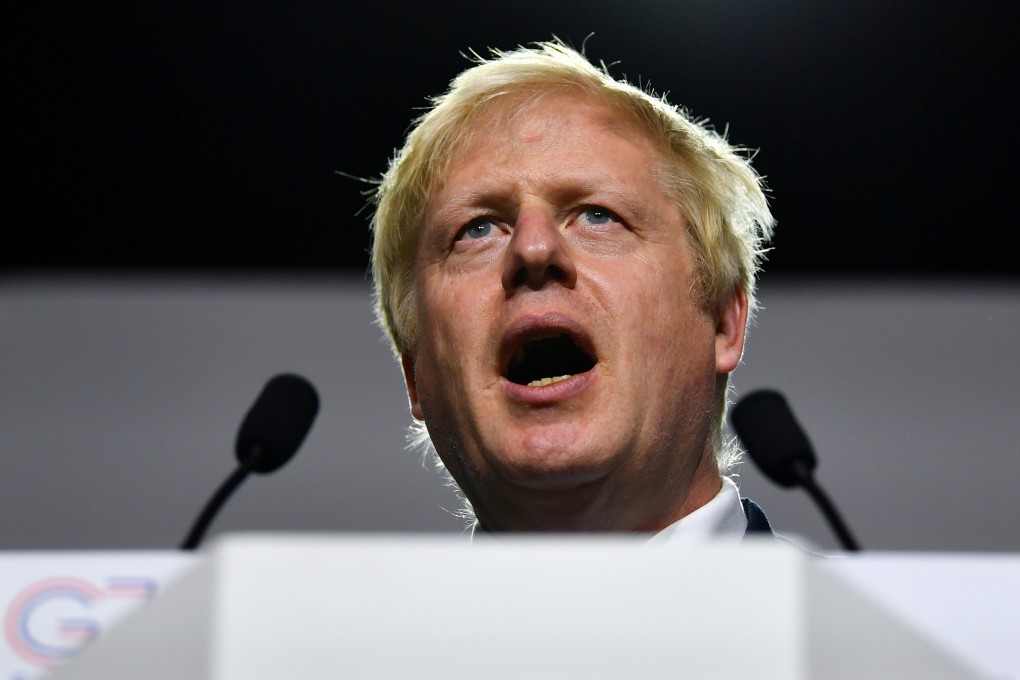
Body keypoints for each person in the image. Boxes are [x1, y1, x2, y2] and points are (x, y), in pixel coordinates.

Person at [370, 40, 775, 539]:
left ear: (722, 320)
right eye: (477, 229)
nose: (533, 249)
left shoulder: (883, 615)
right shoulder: (331, 621)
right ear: (415, 371)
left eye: (599, 216)